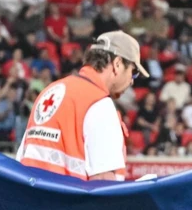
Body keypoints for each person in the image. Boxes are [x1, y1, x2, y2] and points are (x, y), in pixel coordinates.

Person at [16, 31, 147, 181]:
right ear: (117, 64)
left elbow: (23, 159)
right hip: (67, 202)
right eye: (134, 72)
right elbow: (103, 184)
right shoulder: (99, 104)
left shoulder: (50, 91)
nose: (132, 81)